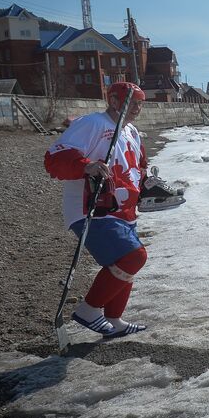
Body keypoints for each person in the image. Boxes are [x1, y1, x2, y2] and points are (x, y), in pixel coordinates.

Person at [43, 81, 151, 337]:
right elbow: (54, 158)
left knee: (123, 264)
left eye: (140, 103)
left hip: (123, 209)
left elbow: (139, 166)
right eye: (132, 102)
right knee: (133, 257)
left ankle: (113, 320)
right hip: (92, 209)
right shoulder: (92, 123)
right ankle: (89, 310)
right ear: (113, 101)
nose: (137, 108)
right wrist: (86, 165)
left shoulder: (131, 132)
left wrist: (149, 183)